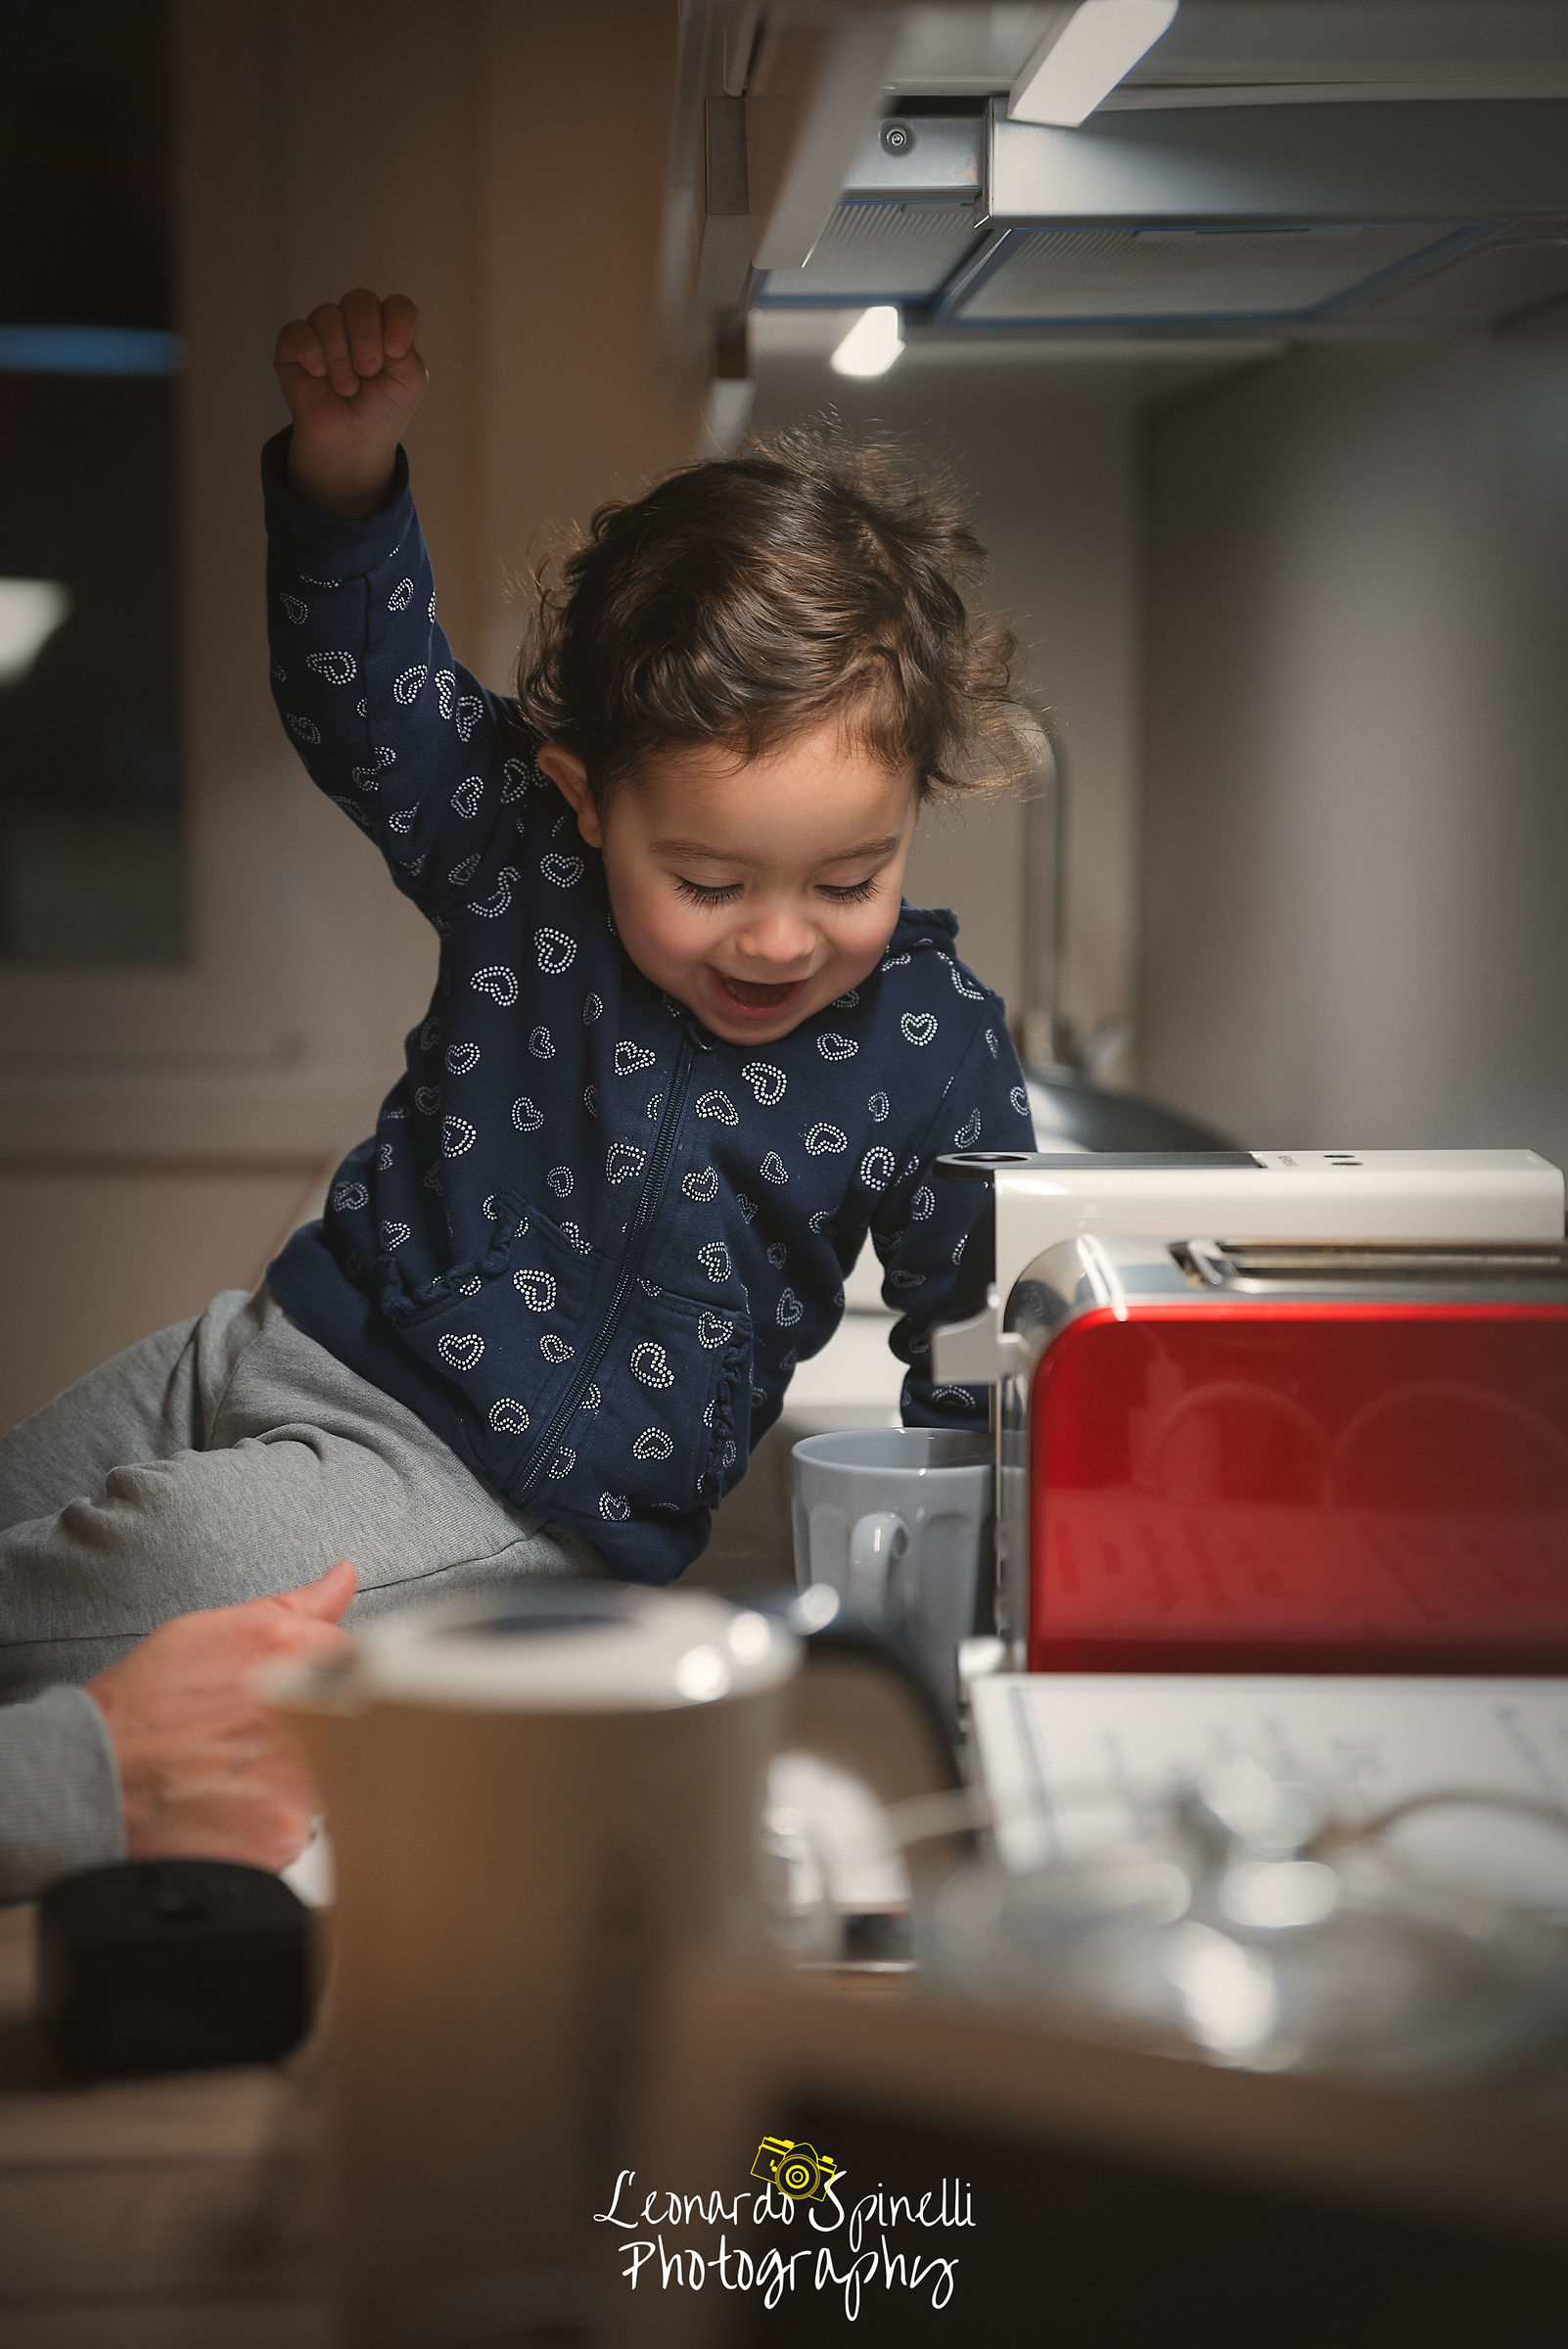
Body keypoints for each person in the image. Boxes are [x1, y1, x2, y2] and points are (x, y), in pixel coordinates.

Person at [0, 288, 1037, 1901]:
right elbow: (367, 697)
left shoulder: (935, 1038)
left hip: (482, 1498)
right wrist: (343, 474)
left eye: (853, 872)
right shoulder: (522, 862)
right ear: (584, 803)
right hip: (270, 1343)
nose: (778, 937)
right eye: (703, 877)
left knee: (117, 1593)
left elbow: (978, 1335)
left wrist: (995, 1577)